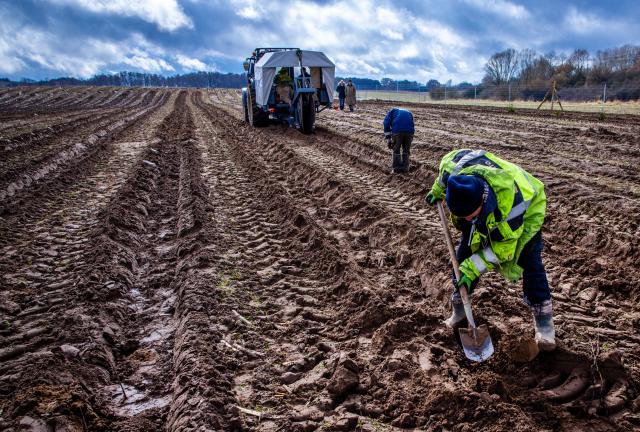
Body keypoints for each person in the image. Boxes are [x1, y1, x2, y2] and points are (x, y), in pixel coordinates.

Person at [425, 149, 555, 351]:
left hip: (528, 211)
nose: (467, 220)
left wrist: (472, 269)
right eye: (463, 217)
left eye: (471, 215)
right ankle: (459, 311)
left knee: (530, 263)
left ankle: (544, 325)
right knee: (462, 258)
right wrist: (437, 190)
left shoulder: (511, 211)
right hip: (487, 206)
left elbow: (502, 250)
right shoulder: (454, 169)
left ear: (483, 202)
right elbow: (444, 176)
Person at [383, 107, 414, 174]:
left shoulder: (391, 112)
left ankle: (397, 169)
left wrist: (388, 139)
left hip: (397, 131)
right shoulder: (408, 112)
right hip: (409, 132)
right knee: (406, 150)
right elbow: (412, 123)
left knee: (396, 149)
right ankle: (405, 168)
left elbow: (386, 123)